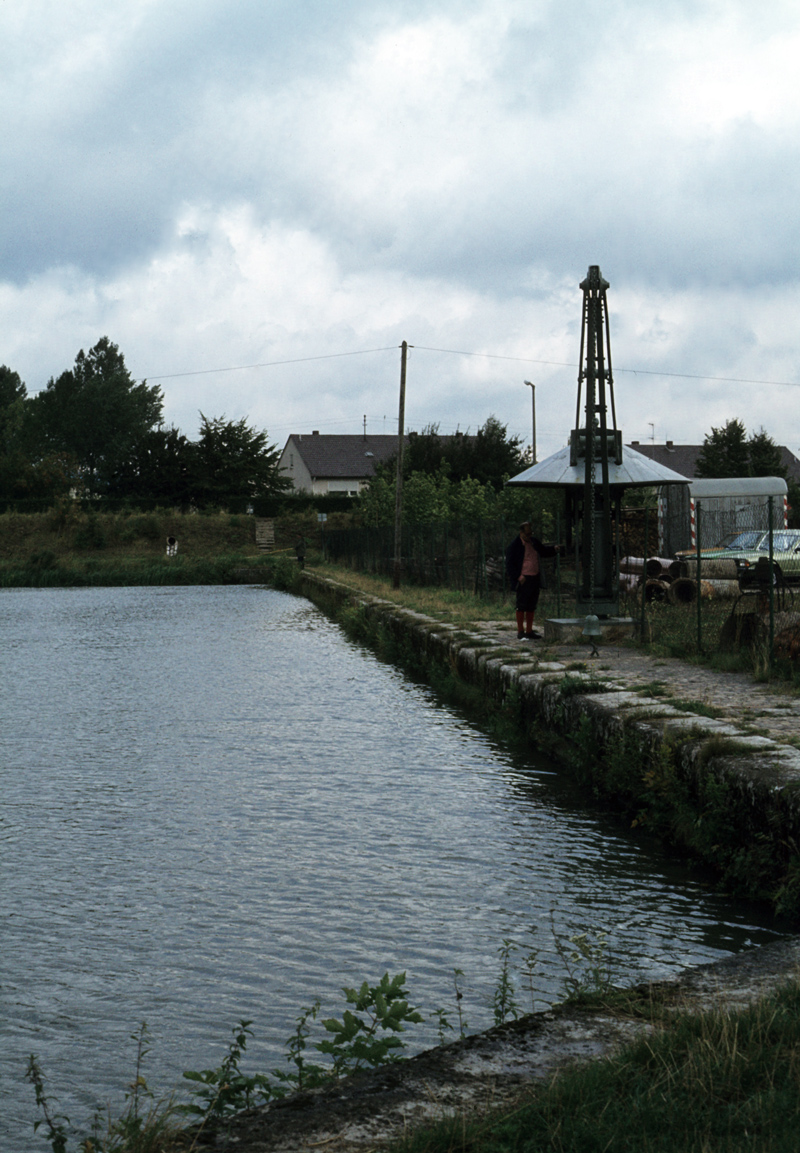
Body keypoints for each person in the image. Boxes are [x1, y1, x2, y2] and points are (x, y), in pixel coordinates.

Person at [505, 521, 562, 639]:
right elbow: (510, 564)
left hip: (534, 577)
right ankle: (521, 631)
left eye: (531, 533)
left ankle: (529, 631)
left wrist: (554, 549)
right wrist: (518, 577)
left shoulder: (534, 542)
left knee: (531, 604)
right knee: (521, 604)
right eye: (527, 533)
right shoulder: (514, 545)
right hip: (524, 578)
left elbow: (543, 551)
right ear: (521, 533)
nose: (529, 536)